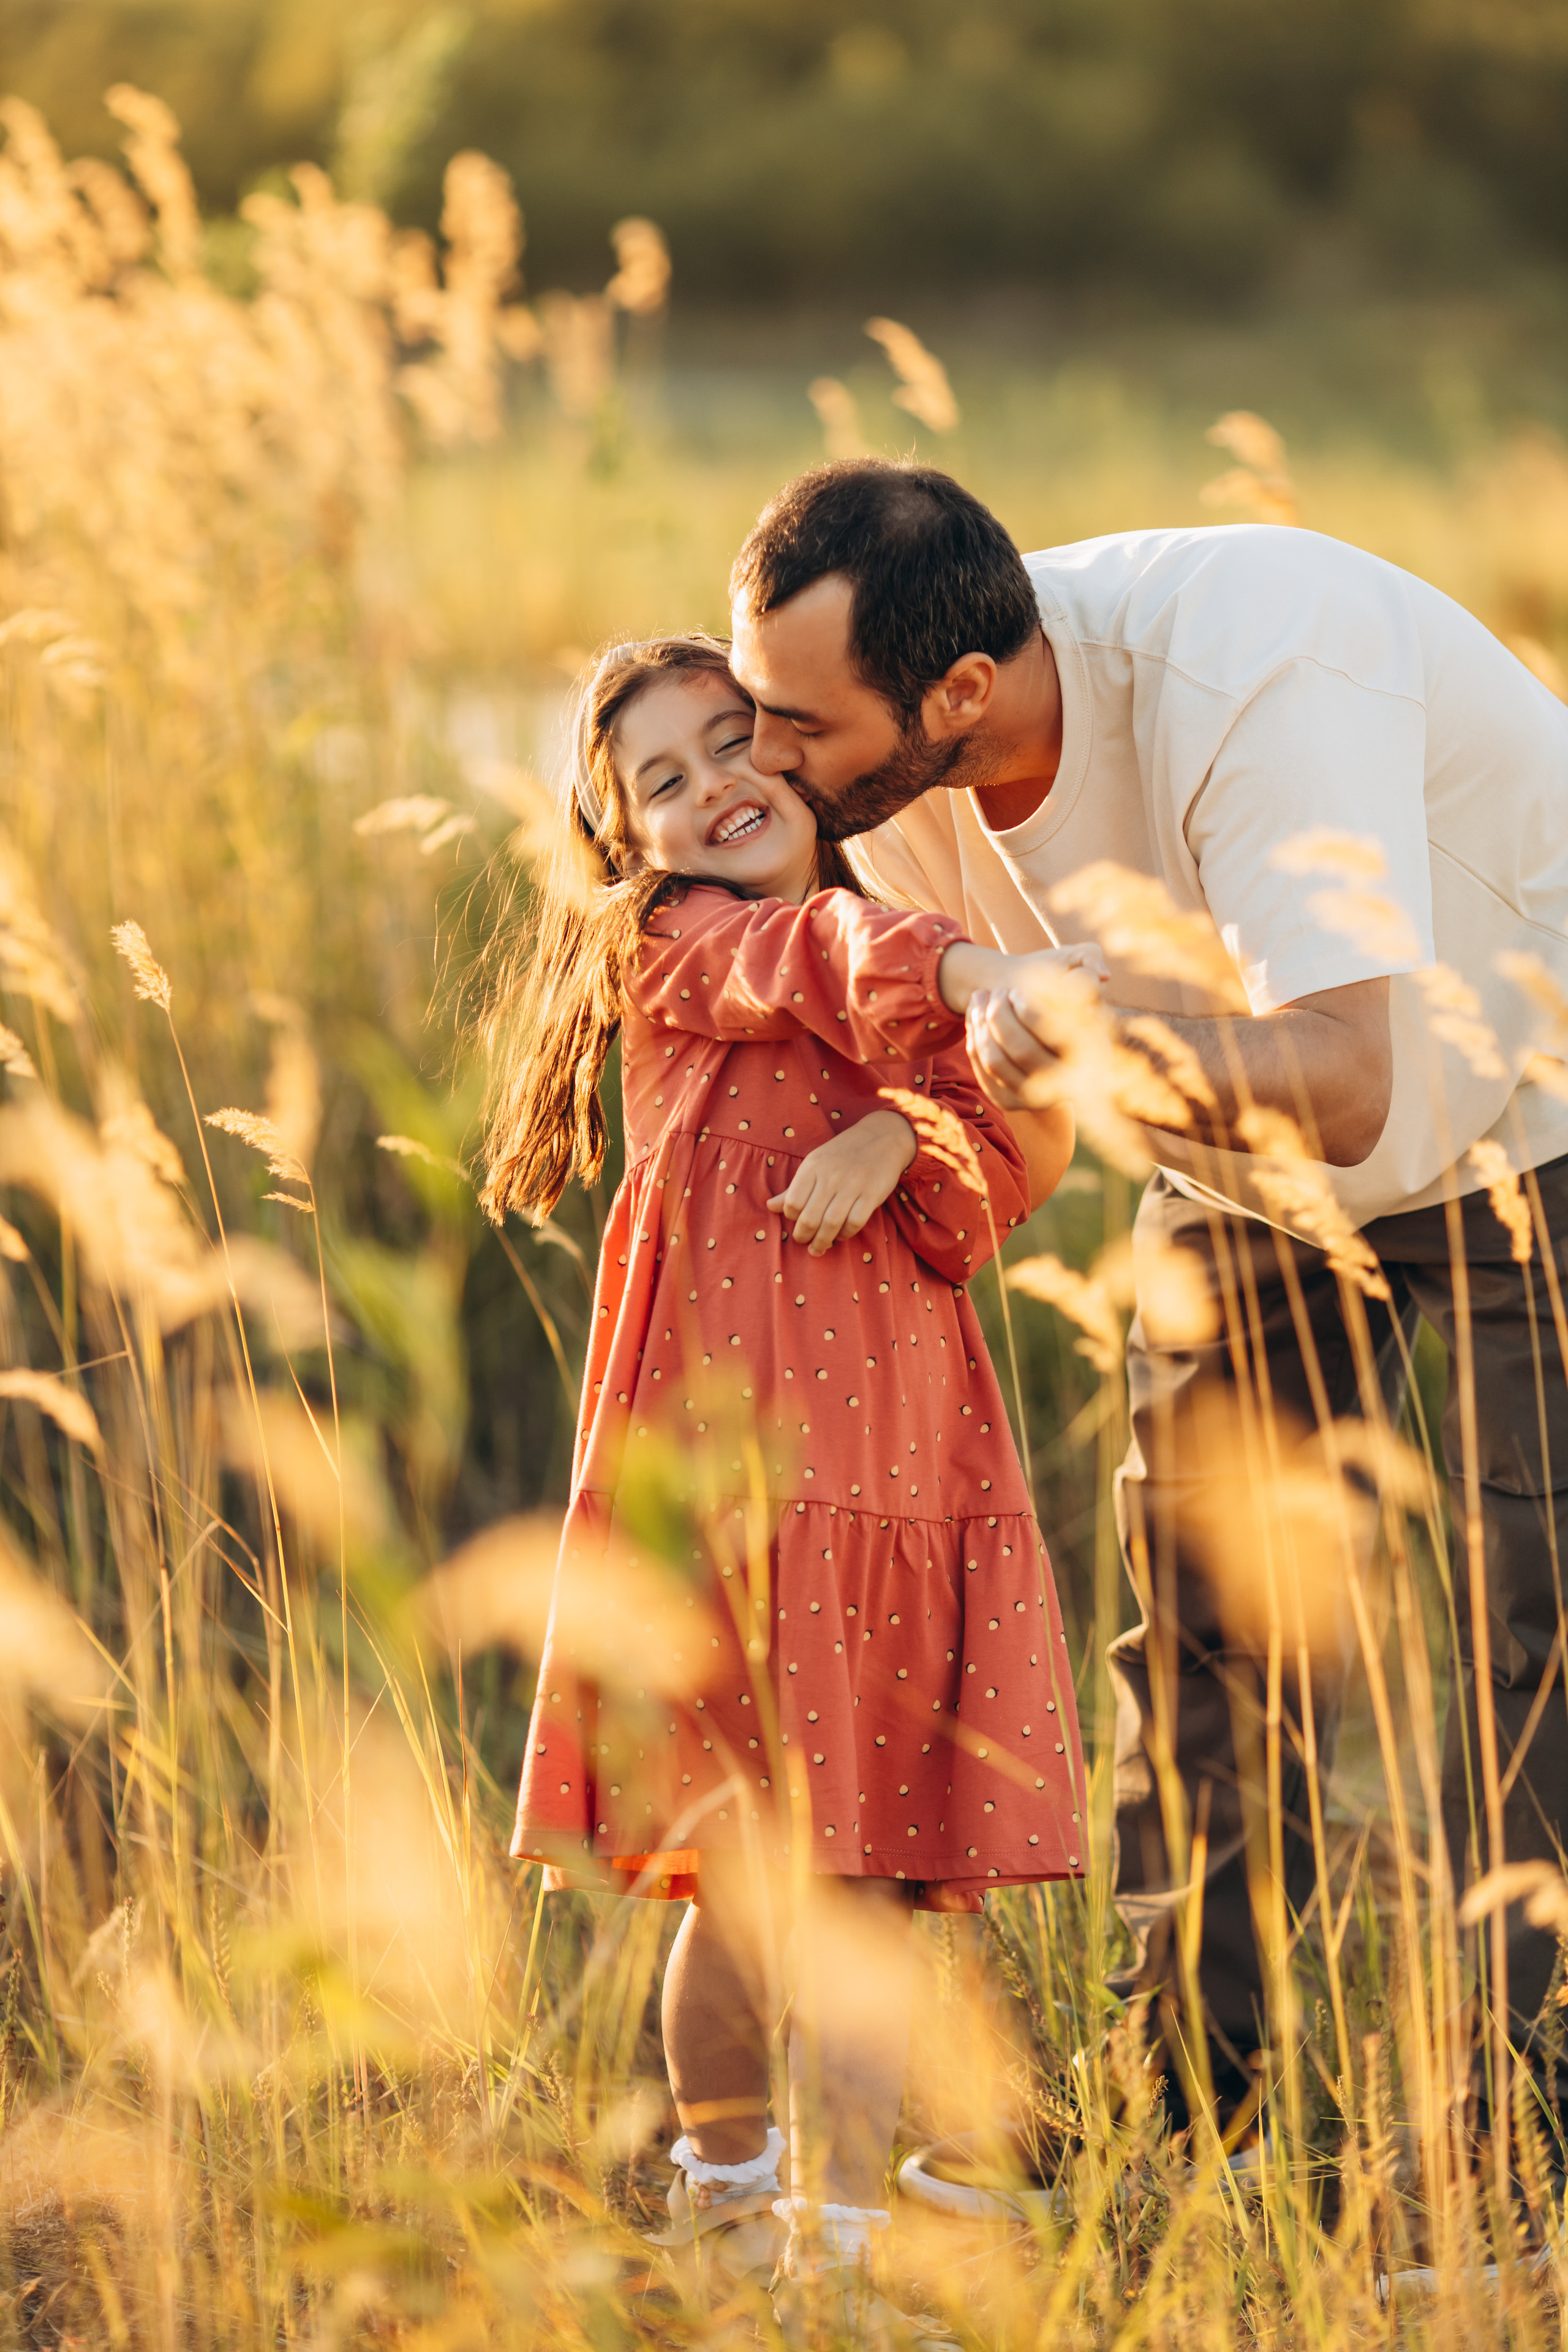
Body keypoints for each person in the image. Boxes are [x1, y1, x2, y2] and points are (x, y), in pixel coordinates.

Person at [725, 458, 1568, 2133]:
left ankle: (1511, 2121)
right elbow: (1016, 1088)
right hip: (1231, 1164)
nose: (768, 761)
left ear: (960, 691)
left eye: (800, 728)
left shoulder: (1261, 667)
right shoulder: (901, 798)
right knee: (1198, 1624)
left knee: (1524, 1634)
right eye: (757, 709)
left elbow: (1339, 1076)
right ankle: (1194, 2101)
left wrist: (1092, 1048)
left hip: (1526, 1114)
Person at [478, 633, 1093, 2331]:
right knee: (754, 1876)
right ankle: (741, 2196)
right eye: (660, 783)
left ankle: (907, 2190)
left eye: (733, 741)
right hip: (738, 1490)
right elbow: (811, 957)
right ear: (627, 844)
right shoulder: (681, 940)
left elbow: (990, 1181)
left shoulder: (888, 954)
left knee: (887, 1871)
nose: (710, 789)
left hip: (901, 1472)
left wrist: (908, 1129)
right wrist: (968, 969)